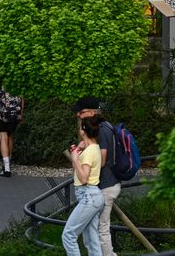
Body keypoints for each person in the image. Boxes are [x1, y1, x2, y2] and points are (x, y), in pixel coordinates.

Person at [72, 97, 120, 256]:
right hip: (106, 185)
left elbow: (101, 159)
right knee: (95, 229)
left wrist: (81, 160)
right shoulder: (104, 127)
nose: (79, 115)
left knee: (101, 229)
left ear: (93, 112)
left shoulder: (102, 130)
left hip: (106, 186)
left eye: (82, 112)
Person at [62, 115, 105, 256]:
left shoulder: (88, 153)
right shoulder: (94, 148)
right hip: (94, 196)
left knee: (68, 235)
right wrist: (80, 149)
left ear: (83, 130)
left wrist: (75, 159)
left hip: (88, 196)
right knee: (92, 240)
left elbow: (84, 178)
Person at [0, 80, 25, 178]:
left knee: (3, 137)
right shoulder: (16, 77)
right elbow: (22, 97)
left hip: (0, 112)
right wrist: (21, 113)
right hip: (14, 112)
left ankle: (6, 168)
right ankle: (8, 163)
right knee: (10, 136)